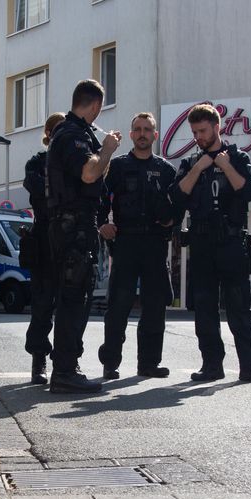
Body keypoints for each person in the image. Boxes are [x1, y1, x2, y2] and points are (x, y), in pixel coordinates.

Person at [171, 103, 251, 383]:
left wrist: (225, 166)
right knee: (204, 309)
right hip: (202, 243)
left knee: (240, 307)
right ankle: (211, 366)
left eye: (202, 130)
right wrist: (199, 167)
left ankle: (250, 367)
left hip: (230, 242)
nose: (198, 137)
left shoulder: (238, 157)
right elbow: (177, 197)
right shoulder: (191, 162)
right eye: (194, 132)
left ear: (217, 127)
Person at [44, 79, 120, 394]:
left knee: (76, 296)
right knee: (73, 298)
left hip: (73, 225)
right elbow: (89, 173)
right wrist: (107, 150)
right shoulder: (73, 135)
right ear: (95, 105)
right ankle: (64, 370)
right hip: (72, 225)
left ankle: (67, 366)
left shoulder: (73, 134)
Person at [97, 112, 176, 379]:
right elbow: (99, 199)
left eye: (147, 129)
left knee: (155, 307)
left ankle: (149, 364)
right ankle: (110, 362)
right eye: (137, 129)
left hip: (155, 244)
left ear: (155, 135)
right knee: (118, 305)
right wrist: (101, 224)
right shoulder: (118, 167)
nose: (142, 133)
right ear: (131, 135)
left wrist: (170, 223)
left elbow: (176, 207)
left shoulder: (166, 170)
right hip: (126, 242)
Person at [22, 111, 66, 385]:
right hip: (44, 237)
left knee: (70, 304)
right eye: (57, 131)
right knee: (42, 303)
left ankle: (65, 360)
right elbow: (39, 190)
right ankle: (39, 359)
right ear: (48, 135)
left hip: (69, 236)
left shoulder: (75, 162)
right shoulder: (36, 163)